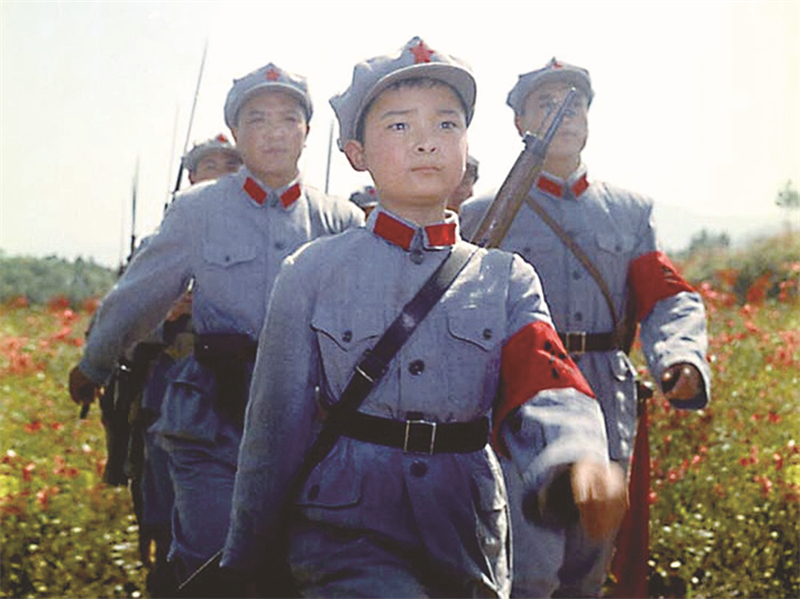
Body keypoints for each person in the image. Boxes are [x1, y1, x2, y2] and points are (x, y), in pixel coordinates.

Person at [221, 37, 627, 598]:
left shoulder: (507, 277)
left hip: (466, 527)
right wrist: (246, 558)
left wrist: (577, 455)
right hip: (346, 529)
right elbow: (273, 434)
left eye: (445, 124)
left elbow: (547, 381)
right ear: (356, 152)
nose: (426, 142)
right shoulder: (311, 272)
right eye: (399, 126)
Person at [68, 61, 364, 590]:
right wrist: (94, 365)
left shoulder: (340, 220)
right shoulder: (198, 209)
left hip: (307, 419)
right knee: (211, 562)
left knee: (303, 567)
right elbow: (139, 295)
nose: (274, 132)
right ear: (236, 132)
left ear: (307, 132)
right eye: (257, 119)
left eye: (288, 119)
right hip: (212, 415)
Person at [460, 57, 712, 598]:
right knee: (526, 568)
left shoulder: (629, 211)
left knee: (589, 567)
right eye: (546, 104)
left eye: (573, 104)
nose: (563, 114)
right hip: (520, 403)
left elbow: (665, 293)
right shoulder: (482, 213)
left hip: (604, 398)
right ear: (520, 123)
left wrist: (680, 354)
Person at [129, 133, 242, 595]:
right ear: (191, 177)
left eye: (230, 166)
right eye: (209, 166)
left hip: (242, 396)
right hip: (170, 394)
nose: (220, 174)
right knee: (167, 509)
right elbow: (123, 327)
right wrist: (167, 314)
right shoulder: (163, 241)